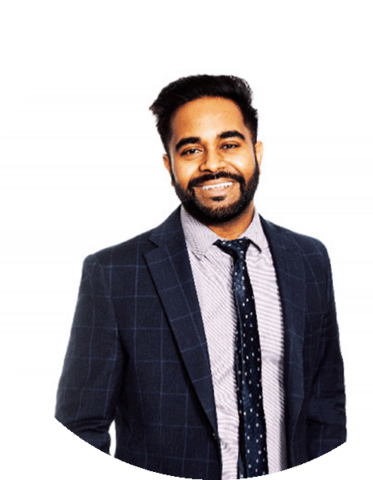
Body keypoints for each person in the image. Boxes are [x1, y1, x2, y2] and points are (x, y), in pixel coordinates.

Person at [55, 74, 346, 479]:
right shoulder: (114, 275)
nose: (212, 164)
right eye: (191, 150)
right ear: (169, 164)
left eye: (229, 144)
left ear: (257, 152)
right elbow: (81, 426)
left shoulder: (309, 260)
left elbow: (324, 408)